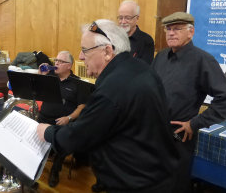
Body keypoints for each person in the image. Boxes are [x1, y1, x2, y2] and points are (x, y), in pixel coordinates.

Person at [37, 19, 179, 193]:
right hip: (159, 174)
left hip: (137, 183)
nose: (81, 57)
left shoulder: (112, 89)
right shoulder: (140, 68)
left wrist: (48, 132)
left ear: (107, 51)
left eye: (85, 50)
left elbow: (79, 136)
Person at [151, 12, 226, 193]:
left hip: (178, 137)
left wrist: (195, 123)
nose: (171, 33)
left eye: (177, 29)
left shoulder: (203, 60)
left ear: (191, 33)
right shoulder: (161, 57)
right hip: (153, 134)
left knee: (174, 185)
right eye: (168, 29)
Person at [37, 51, 85, 187]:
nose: (56, 63)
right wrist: (41, 76)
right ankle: (32, 173)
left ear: (69, 65)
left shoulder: (77, 83)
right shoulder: (50, 77)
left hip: (62, 122)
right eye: (56, 60)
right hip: (43, 118)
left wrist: (69, 118)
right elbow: (36, 92)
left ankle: (55, 171)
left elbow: (82, 107)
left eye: (60, 61)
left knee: (63, 141)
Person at [117, 0, 154, 64]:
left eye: (127, 18)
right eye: (120, 18)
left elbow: (144, 68)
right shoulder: (114, 37)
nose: (123, 22)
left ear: (137, 18)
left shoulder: (146, 41)